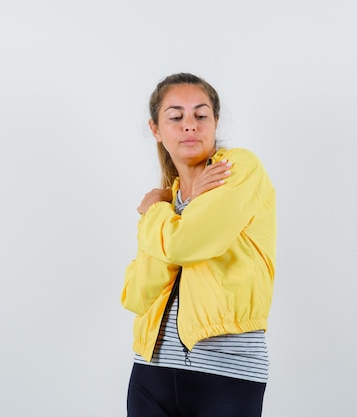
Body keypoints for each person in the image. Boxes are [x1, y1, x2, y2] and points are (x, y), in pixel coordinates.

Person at [121, 72, 276, 417]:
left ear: (215, 122)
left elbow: (185, 246)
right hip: (150, 372)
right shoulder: (167, 201)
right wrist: (169, 209)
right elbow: (136, 296)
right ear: (156, 130)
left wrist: (155, 212)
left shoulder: (237, 170)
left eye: (200, 115)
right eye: (175, 117)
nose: (189, 125)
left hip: (227, 372)